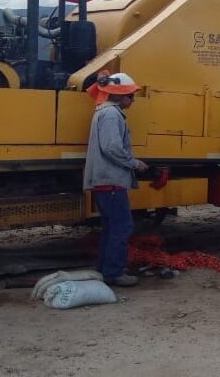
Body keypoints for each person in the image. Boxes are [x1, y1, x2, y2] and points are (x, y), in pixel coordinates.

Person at [83, 70, 148, 287]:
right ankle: (114, 273)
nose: (132, 100)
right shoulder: (111, 115)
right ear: (120, 96)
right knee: (122, 227)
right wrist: (135, 163)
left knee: (111, 227)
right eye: (131, 95)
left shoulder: (104, 111)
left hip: (105, 181)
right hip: (111, 181)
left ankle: (104, 268)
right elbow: (112, 147)